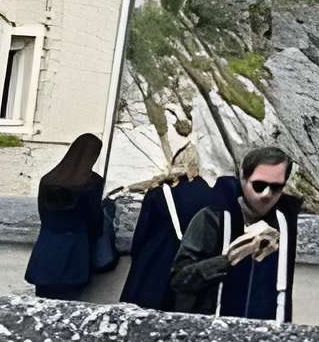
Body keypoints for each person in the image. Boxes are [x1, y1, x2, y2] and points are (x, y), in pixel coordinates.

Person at [168, 145, 303, 322]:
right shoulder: (213, 217)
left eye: (276, 188)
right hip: (212, 331)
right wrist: (227, 260)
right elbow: (179, 279)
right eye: (259, 185)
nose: (266, 194)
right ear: (243, 179)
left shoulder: (285, 220)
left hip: (264, 334)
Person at [120, 137, 216, 310]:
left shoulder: (159, 194)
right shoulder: (212, 195)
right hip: (194, 268)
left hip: (156, 264)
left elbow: (140, 238)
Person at [23, 135, 111, 301]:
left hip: (46, 248)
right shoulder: (92, 183)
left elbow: (42, 214)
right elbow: (94, 221)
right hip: (75, 250)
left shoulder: (48, 180)